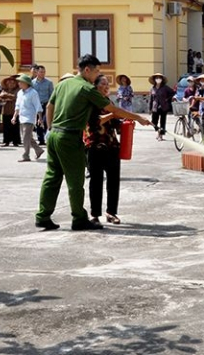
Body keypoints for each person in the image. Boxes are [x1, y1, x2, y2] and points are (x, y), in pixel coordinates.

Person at [35, 54, 152, 231]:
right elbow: (112, 109)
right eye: (96, 71)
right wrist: (139, 118)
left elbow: (49, 106)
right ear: (87, 70)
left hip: (54, 136)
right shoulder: (87, 88)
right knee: (75, 180)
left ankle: (43, 216)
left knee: (52, 177)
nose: (98, 75)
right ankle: (79, 219)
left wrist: (50, 128)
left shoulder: (63, 84)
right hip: (69, 137)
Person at [86, 74, 123, 226]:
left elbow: (115, 123)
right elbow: (95, 121)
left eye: (107, 84)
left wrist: (123, 123)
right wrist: (113, 114)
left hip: (111, 145)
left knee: (113, 180)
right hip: (95, 145)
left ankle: (111, 212)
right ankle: (95, 214)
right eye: (103, 83)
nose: (106, 86)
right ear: (95, 86)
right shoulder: (90, 103)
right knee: (96, 180)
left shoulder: (108, 102)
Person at [13, 74, 45, 162]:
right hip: (21, 117)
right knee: (27, 137)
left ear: (26, 83)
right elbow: (17, 105)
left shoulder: (33, 93)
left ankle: (26, 155)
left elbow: (38, 106)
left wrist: (40, 118)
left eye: (21, 82)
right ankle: (38, 150)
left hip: (29, 118)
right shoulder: (20, 93)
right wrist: (14, 116)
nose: (19, 83)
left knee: (25, 137)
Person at [148, 72, 175, 141]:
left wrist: (167, 99)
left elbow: (173, 93)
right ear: (154, 80)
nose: (158, 79)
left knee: (162, 121)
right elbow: (151, 99)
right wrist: (150, 108)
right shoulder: (152, 88)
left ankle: (160, 135)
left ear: (162, 79)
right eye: (156, 78)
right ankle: (158, 130)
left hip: (163, 106)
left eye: (159, 78)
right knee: (153, 122)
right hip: (155, 107)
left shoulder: (165, 88)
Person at [32, 65, 54, 145]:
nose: (43, 73)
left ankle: (46, 136)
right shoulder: (32, 83)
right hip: (36, 105)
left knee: (45, 121)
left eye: (44, 72)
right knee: (38, 122)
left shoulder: (49, 82)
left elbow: (52, 94)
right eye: (41, 72)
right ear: (37, 72)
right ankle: (40, 139)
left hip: (46, 104)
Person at [0, 76, 21, 147]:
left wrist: (7, 96)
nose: (10, 84)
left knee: (15, 126)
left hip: (14, 111)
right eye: (9, 83)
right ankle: (6, 141)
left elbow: (16, 97)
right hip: (6, 111)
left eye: (12, 83)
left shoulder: (18, 90)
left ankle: (15, 141)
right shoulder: (4, 90)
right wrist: (6, 99)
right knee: (6, 127)